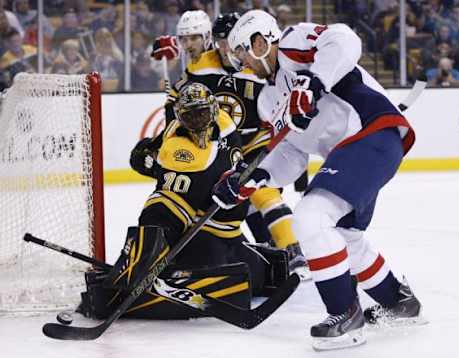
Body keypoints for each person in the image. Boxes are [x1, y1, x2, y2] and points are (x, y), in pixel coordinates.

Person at [212, 10, 424, 351]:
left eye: (241, 52)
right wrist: (256, 177)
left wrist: (314, 81)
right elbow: (291, 154)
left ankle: (344, 313)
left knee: (311, 217)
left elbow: (343, 38)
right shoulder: (268, 101)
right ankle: (398, 301)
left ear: (260, 41)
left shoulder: (292, 44)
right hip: (351, 153)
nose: (241, 64)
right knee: (344, 236)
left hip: (372, 131)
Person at [81, 82, 289, 320]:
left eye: (202, 113)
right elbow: (153, 160)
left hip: (216, 228)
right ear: (180, 115)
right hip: (185, 222)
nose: (197, 120)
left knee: (251, 273)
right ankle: (136, 268)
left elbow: (220, 176)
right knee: (159, 207)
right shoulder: (175, 133)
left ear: (213, 110)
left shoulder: (226, 132)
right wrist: (144, 157)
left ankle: (141, 276)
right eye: (190, 115)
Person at [151, 11, 310, 279]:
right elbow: (181, 105)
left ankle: (293, 253)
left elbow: (282, 106)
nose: (226, 48)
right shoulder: (201, 67)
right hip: (217, 150)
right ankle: (254, 254)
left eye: (231, 42)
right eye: (222, 41)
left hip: (253, 146)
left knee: (264, 193)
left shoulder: (257, 67)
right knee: (223, 203)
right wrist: (172, 97)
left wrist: (295, 148)